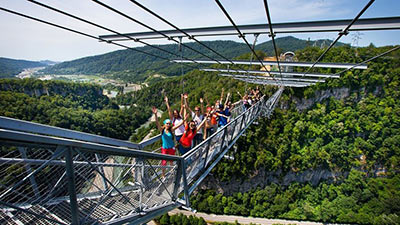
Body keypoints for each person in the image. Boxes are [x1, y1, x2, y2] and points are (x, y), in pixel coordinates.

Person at [152, 107, 184, 176]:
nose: (168, 125)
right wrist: (155, 115)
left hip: (171, 148)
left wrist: (184, 120)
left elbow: (179, 125)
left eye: (169, 123)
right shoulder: (162, 130)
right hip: (165, 148)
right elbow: (157, 123)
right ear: (164, 124)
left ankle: (173, 173)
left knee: (171, 161)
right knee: (164, 162)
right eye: (167, 123)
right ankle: (163, 175)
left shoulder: (171, 130)